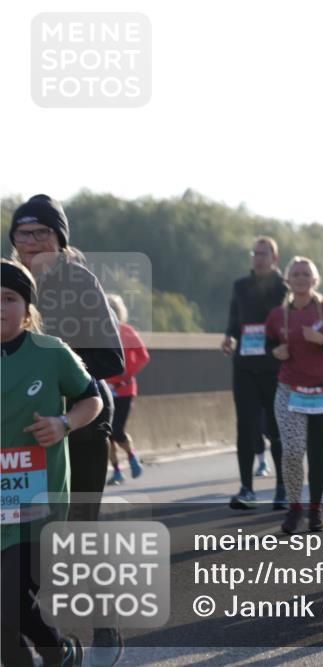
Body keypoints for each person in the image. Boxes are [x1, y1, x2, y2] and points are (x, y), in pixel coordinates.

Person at [9, 195, 127, 665]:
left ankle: (103, 625)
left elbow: (110, 360)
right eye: (23, 234)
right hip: (17, 428)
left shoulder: (79, 282)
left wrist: (55, 370)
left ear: (60, 240)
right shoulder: (7, 283)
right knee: (16, 530)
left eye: (42, 233)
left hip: (79, 419)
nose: (32, 242)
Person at [2, 259, 104, 667]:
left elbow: (92, 398)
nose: (0, 307)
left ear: (28, 309)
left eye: (9, 298)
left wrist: (64, 423)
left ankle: (56, 650)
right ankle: (55, 656)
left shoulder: (51, 352)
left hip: (35, 501)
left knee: (9, 600)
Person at [265, 257, 323, 533]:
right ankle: (294, 508)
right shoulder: (278, 315)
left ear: (315, 280)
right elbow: (269, 346)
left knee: (317, 452)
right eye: (295, 274)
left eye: (305, 274)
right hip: (290, 390)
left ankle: (316, 509)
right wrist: (275, 352)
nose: (300, 278)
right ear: (288, 280)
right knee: (292, 451)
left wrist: (322, 340)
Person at [222, 236, 288, 510]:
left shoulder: (283, 288)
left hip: (274, 366)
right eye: (255, 253)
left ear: (274, 258)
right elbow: (235, 319)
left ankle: (282, 489)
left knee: (276, 428)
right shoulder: (240, 286)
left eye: (264, 254)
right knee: (245, 427)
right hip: (245, 366)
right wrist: (228, 336)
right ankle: (246, 489)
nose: (258, 258)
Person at [104, 294, 150, 485]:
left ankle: (131, 456)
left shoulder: (126, 331)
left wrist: (126, 373)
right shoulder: (97, 333)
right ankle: (116, 471)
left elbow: (143, 355)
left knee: (117, 430)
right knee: (105, 434)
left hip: (124, 389)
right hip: (105, 390)